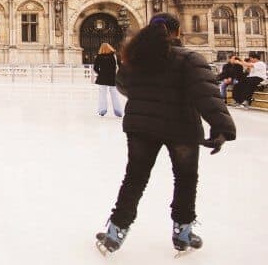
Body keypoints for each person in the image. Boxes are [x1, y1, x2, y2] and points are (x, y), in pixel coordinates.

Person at [96, 13, 236, 256]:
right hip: (181, 127)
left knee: (134, 179)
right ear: (178, 32)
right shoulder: (190, 58)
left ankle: (115, 232)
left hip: (141, 127)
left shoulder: (136, 59)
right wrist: (221, 127)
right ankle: (182, 232)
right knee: (185, 179)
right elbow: (206, 94)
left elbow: (122, 85)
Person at [93, 43, 123, 117]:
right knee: (115, 95)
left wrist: (100, 73)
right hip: (112, 78)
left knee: (102, 95)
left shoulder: (99, 57)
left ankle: (102, 110)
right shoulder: (115, 56)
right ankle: (118, 111)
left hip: (102, 78)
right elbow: (120, 66)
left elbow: (95, 68)